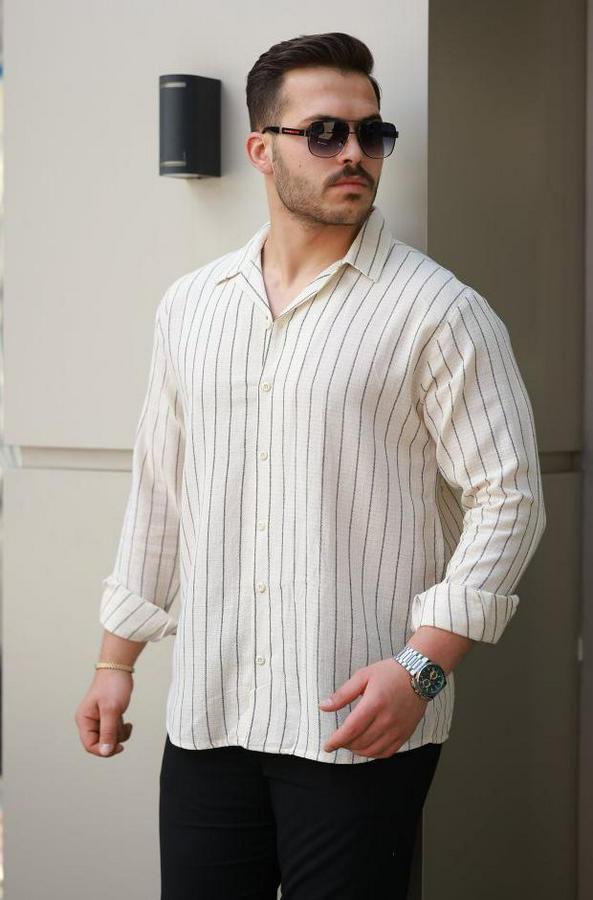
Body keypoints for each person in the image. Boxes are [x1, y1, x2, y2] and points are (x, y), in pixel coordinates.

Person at [75, 31, 547, 900]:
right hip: (209, 713)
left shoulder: (438, 311)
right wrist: (116, 663)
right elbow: (161, 494)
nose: (354, 153)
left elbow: (508, 499)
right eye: (325, 133)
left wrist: (421, 669)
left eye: (372, 134)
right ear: (262, 149)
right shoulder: (192, 306)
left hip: (358, 719)